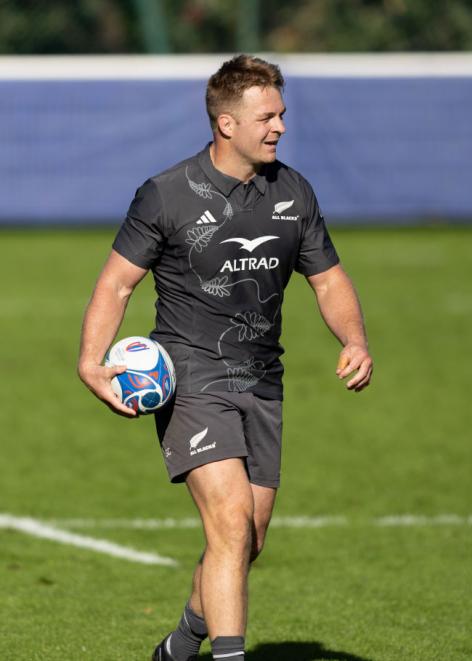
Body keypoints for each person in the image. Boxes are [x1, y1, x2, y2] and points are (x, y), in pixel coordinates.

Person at [78, 54, 373, 661]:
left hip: (263, 381)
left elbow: (329, 281)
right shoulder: (165, 194)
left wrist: (354, 338)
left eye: (282, 115)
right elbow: (116, 285)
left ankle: (182, 642)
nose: (281, 127)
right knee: (231, 518)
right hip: (191, 379)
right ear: (226, 124)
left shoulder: (293, 192)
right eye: (268, 116)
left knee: (245, 541)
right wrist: (90, 362)